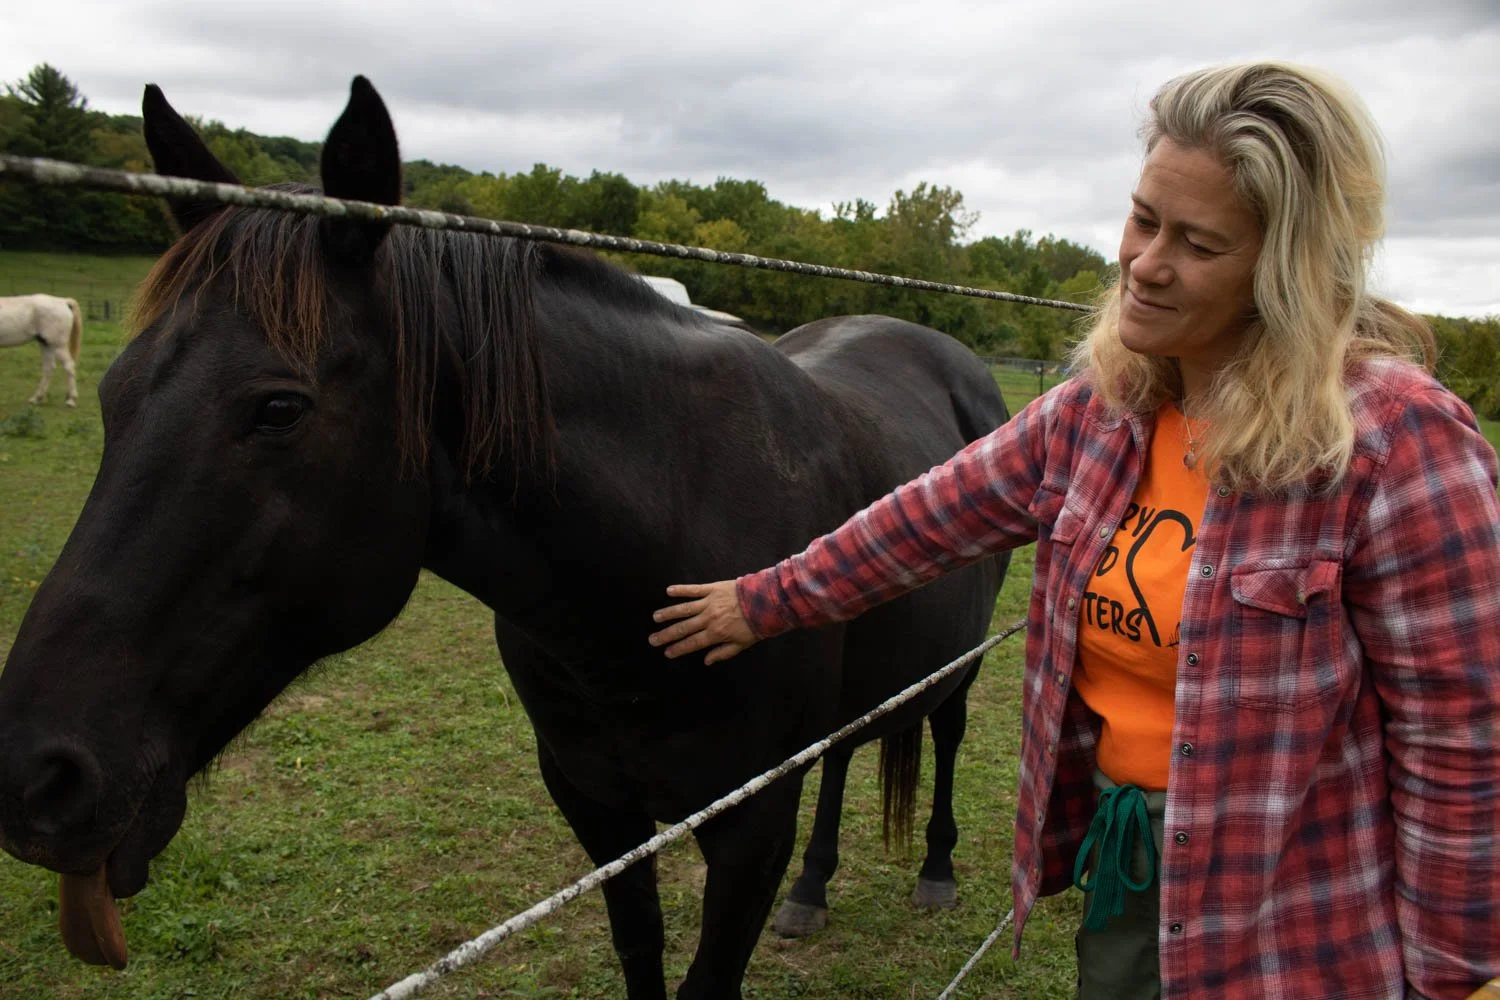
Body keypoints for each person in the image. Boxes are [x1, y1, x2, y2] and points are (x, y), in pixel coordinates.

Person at [648, 62, 1500, 999]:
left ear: (1286, 268)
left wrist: (1456, 977)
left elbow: (1463, 740)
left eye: (1199, 243)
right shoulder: (1099, 413)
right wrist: (763, 601)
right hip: (1129, 866)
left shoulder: (1396, 444)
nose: (1144, 262)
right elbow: (927, 518)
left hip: (1299, 917)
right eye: (1144, 219)